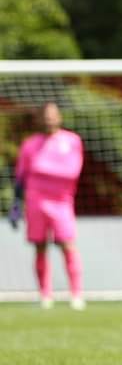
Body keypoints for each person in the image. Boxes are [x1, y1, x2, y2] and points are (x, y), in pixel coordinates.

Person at [10, 102, 86, 310]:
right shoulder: (30, 144)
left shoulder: (71, 141)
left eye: (52, 115)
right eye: (45, 116)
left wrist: (41, 168)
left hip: (62, 202)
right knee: (40, 246)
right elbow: (21, 177)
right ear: (39, 119)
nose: (49, 120)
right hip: (35, 202)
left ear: (59, 117)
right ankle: (45, 295)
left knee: (67, 244)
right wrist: (15, 205)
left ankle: (76, 295)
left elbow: (72, 171)